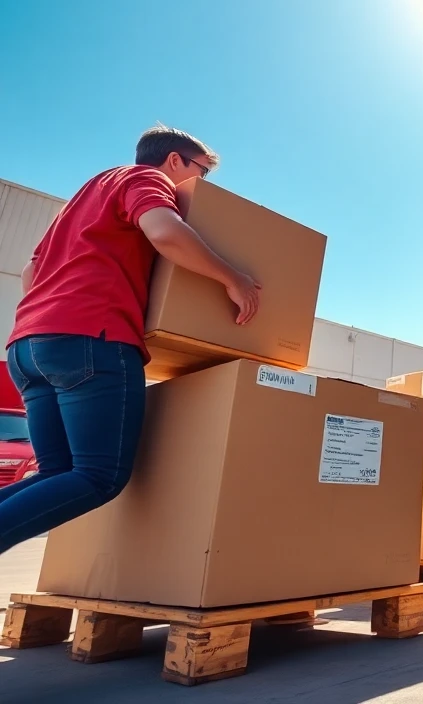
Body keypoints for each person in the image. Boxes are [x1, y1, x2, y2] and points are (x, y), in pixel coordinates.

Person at [0, 125, 261, 555]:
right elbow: (164, 231)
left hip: (28, 345)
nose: (203, 185)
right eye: (203, 172)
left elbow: (30, 274)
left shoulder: (79, 202)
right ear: (175, 160)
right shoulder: (145, 179)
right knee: (98, 475)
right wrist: (234, 279)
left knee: (55, 473)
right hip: (90, 338)